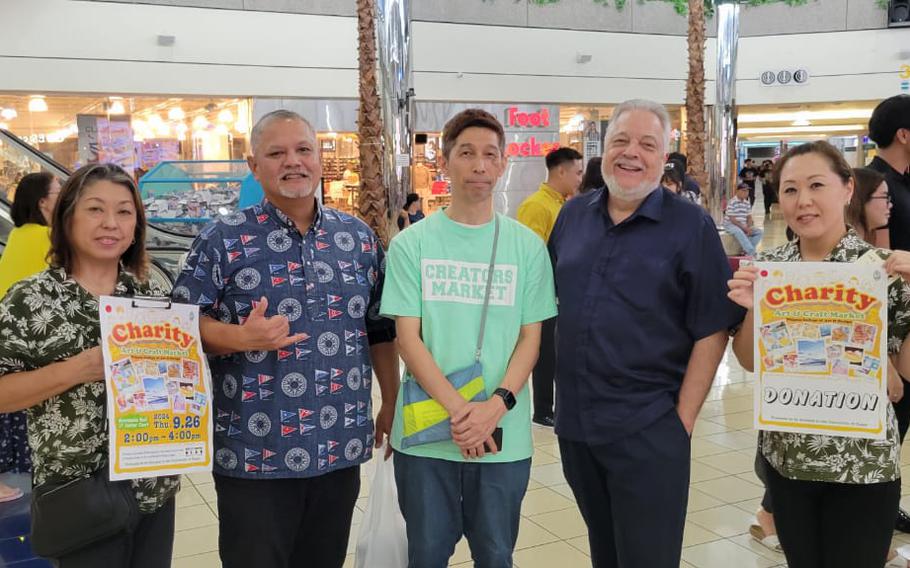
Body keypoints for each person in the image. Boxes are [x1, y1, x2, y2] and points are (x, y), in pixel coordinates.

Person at [171, 110, 398, 568]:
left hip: (339, 445)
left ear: (317, 158)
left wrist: (391, 398)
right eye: (276, 153)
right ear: (254, 166)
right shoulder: (222, 240)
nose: (292, 162)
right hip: (253, 452)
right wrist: (239, 336)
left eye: (303, 150)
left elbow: (379, 328)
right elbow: (178, 328)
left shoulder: (357, 239)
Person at [548, 99, 743, 568]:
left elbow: (712, 326)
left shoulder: (689, 226)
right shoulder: (574, 216)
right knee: (606, 551)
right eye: (620, 141)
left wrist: (683, 422)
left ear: (664, 155)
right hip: (577, 427)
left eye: (646, 144)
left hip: (649, 428)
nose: (631, 153)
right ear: (603, 149)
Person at [381, 108, 557, 567]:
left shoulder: (527, 248)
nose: (479, 165)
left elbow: (530, 341)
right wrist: (464, 413)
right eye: (466, 153)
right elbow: (407, 339)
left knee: (496, 556)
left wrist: (494, 408)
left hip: (503, 439)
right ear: (445, 162)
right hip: (425, 437)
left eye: (489, 155)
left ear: (502, 165)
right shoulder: (411, 245)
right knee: (426, 554)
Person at [728, 141, 910, 568]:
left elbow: (906, 369)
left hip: (862, 464)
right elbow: (750, 360)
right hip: (789, 458)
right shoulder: (771, 267)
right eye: (790, 190)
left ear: (848, 189)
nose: (803, 201)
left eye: (816, 185)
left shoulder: (882, 269)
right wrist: (756, 307)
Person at [0, 163, 179, 566]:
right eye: (95, 209)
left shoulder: (150, 292)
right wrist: (77, 369)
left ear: (137, 224)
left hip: (153, 485)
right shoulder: (31, 299)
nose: (110, 223)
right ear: (67, 217)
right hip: (77, 494)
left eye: (124, 211)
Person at [0, 172, 60, 503]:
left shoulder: (20, 234)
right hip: (28, 337)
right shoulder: (47, 237)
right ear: (43, 201)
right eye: (58, 190)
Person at [517, 146, 582, 427]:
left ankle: (556, 405)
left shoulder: (564, 204)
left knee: (557, 352)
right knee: (544, 353)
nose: (580, 179)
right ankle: (542, 408)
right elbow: (530, 254)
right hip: (543, 294)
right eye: (577, 173)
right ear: (561, 171)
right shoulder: (537, 206)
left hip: (561, 292)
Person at [868, 95, 910, 535]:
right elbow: (873, 262)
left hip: (904, 322)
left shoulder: (901, 181)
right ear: (903, 134)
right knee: (890, 424)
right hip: (891, 324)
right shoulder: (878, 185)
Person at [723, 182, 764, 256]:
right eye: (743, 191)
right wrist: (744, 228)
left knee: (759, 232)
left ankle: (746, 250)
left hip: (743, 225)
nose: (746, 193)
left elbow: (749, 217)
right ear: (737, 191)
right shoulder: (732, 202)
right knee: (739, 232)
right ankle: (751, 252)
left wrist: (749, 227)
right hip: (731, 224)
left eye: (747, 191)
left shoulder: (747, 203)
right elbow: (732, 219)